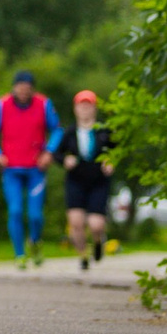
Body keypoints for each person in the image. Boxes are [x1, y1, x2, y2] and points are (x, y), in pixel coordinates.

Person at [0, 69, 60, 267]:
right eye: (20, 87)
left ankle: (36, 242)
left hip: (35, 168)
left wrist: (49, 152)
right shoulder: (1, 105)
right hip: (11, 168)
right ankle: (19, 254)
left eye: (27, 88)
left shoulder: (43, 104)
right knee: (15, 211)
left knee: (35, 215)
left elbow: (57, 130)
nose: (23, 91)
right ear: (14, 88)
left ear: (32, 90)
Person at [56, 89, 116, 269]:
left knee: (96, 224)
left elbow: (118, 150)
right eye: (81, 106)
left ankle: (98, 241)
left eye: (88, 106)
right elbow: (56, 153)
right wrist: (65, 160)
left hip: (98, 180)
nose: (85, 110)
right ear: (75, 109)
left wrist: (111, 161)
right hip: (76, 180)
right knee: (76, 222)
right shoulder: (70, 132)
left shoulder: (104, 131)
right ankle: (83, 256)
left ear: (94, 109)